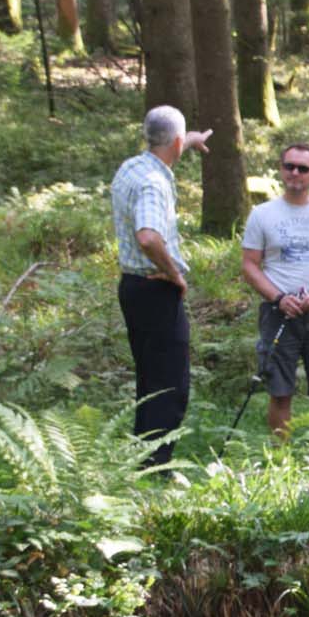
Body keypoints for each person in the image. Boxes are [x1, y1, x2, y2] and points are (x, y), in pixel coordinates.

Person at [111, 105, 211, 467]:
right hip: (156, 289)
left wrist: (192, 139)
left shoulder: (133, 167)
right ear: (178, 142)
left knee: (150, 378)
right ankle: (156, 466)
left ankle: (141, 457)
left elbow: (168, 147)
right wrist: (174, 273)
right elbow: (149, 237)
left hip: (133, 288)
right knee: (170, 385)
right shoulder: (154, 183)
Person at [238, 142, 309, 437]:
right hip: (278, 313)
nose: (295, 173)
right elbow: (250, 265)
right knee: (280, 390)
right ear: (281, 169)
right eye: (289, 166)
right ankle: (280, 461)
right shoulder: (262, 214)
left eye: (303, 168)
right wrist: (278, 297)